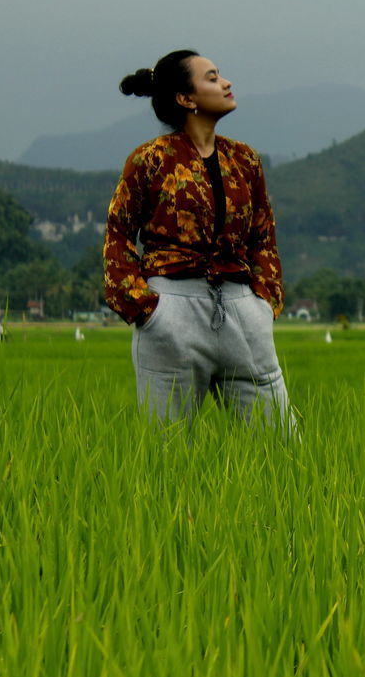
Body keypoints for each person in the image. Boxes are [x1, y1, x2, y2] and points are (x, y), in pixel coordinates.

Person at [103, 49, 296, 432]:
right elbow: (118, 234)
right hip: (171, 310)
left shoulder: (245, 160)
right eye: (212, 77)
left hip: (243, 310)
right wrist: (146, 310)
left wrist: (264, 302)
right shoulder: (149, 160)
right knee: (166, 453)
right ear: (185, 98)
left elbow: (263, 235)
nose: (226, 83)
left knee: (282, 449)